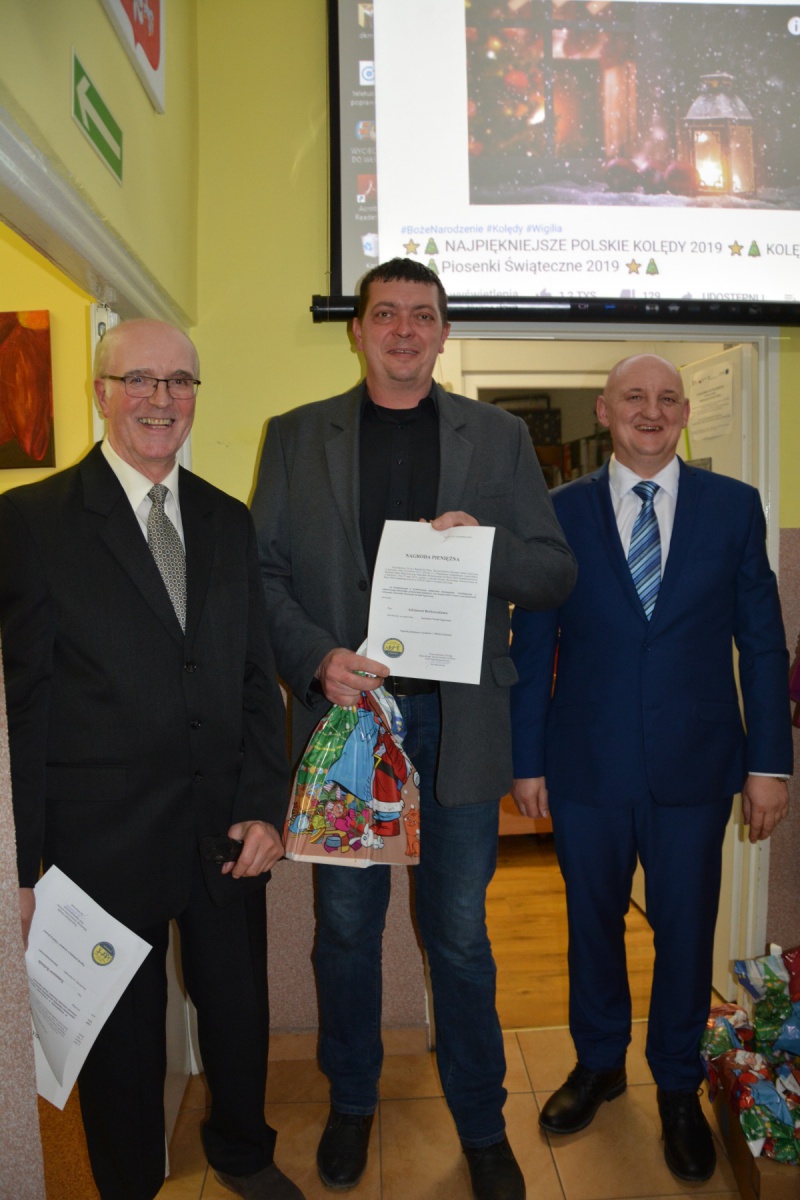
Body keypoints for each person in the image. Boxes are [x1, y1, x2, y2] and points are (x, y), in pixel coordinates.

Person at [251, 258, 576, 1200]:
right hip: (349, 726)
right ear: (357, 330)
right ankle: (353, 1101)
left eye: (421, 315)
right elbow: (262, 574)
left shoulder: (498, 437)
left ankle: (482, 1122)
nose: (403, 330)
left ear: (443, 333)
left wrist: (485, 548)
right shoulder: (296, 435)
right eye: (385, 314)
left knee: (461, 935)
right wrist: (315, 657)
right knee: (347, 929)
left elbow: (553, 574)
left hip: (459, 723)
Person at [0, 320, 303, 1200]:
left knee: (238, 1012)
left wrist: (266, 806)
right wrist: (21, 866)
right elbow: (24, 704)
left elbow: (255, 678)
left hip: (227, 831)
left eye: (179, 381)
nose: (160, 399)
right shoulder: (31, 522)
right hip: (102, 845)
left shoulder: (226, 518)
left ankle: (243, 1152)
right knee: (123, 1044)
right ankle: (130, 1183)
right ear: (101, 392)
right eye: (139, 379)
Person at [510, 353, 792, 1183]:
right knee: (591, 924)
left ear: (685, 415)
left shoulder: (732, 507)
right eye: (634, 396)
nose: (652, 410)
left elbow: (762, 644)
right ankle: (598, 1064)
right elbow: (533, 644)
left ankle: (676, 1083)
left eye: (668, 398)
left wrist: (769, 764)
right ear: (604, 410)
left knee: (686, 931)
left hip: (696, 768)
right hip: (585, 765)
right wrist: (526, 759)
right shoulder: (556, 511)